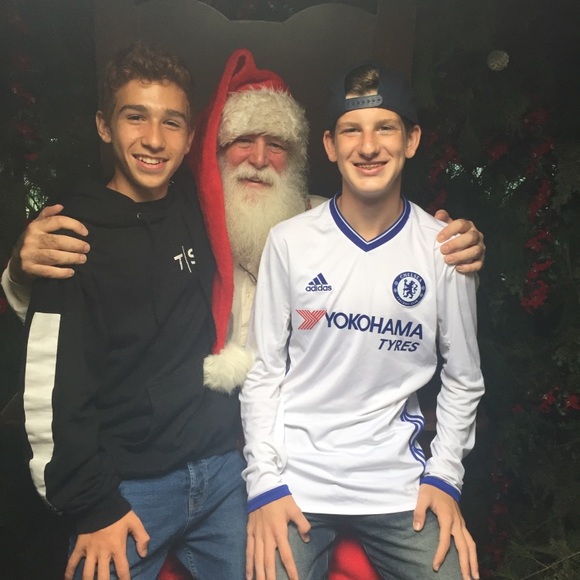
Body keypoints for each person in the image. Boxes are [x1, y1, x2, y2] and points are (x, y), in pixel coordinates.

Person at [2, 49, 485, 580]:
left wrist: (451, 241)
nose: (257, 159)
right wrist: (21, 268)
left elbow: (379, 235)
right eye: (241, 142)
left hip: (229, 466)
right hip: (167, 474)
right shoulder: (128, 223)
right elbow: (54, 349)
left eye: (276, 145)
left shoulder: (315, 224)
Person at [241, 61, 485, 580]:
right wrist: (264, 484)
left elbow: (464, 379)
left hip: (398, 487)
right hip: (298, 482)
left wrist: (444, 477)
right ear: (330, 145)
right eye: (352, 130)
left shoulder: (445, 249)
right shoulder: (290, 242)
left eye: (385, 128)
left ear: (412, 140)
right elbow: (263, 373)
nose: (368, 146)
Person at [17, 43, 248, 580]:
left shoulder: (201, 207)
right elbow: (50, 390)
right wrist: (91, 503)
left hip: (221, 472)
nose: (154, 139)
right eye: (135, 117)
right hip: (126, 488)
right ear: (104, 125)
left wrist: (428, 237)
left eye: (172, 122)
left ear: (190, 137)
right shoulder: (70, 237)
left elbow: (290, 212)